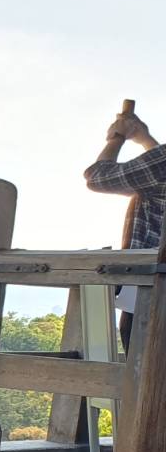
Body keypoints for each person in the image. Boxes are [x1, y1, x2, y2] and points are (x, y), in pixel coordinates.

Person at [83, 104, 165, 345]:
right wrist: (145, 139)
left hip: (150, 295)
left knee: (144, 364)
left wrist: (117, 137)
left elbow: (99, 177)